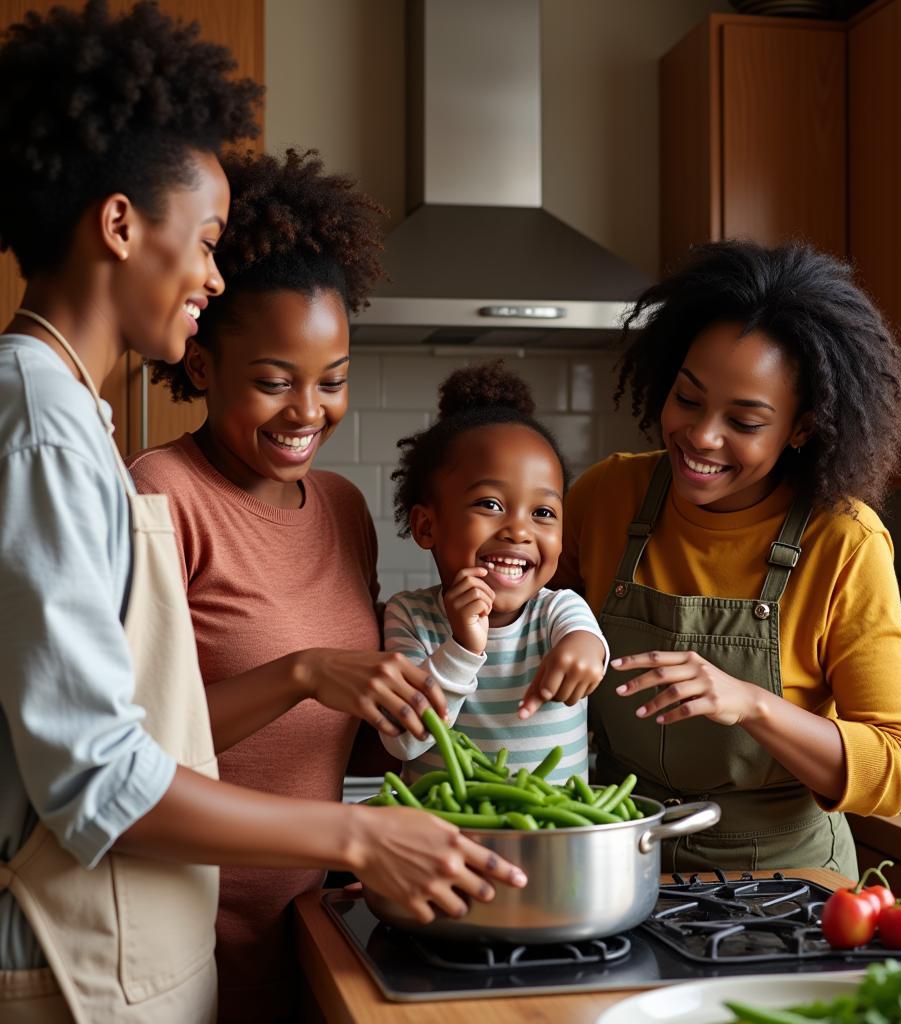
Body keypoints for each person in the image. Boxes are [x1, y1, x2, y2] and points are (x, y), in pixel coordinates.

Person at [0, 5, 524, 1023]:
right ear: (119, 225)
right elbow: (98, 779)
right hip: (69, 961)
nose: (210, 273)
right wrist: (360, 837)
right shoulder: (45, 425)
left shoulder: (68, 415)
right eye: (202, 241)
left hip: (135, 944)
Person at [130, 146, 453, 1023]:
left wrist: (447, 675)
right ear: (202, 365)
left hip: (318, 925)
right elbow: (133, 756)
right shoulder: (160, 495)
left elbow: (349, 749)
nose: (308, 411)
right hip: (184, 938)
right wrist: (304, 671)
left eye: (333, 381)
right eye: (275, 382)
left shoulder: (344, 509)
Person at [555, 240, 901, 880]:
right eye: (689, 399)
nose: (702, 436)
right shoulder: (605, 496)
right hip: (617, 859)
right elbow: (535, 638)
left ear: (803, 427)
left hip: (786, 881)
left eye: (745, 421)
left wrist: (750, 703)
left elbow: (895, 767)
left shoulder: (842, 541)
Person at [382, 361, 608, 784]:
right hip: (436, 839)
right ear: (426, 526)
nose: (519, 530)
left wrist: (584, 652)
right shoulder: (410, 617)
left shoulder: (558, 610)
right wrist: (463, 648)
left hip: (552, 841)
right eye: (490, 504)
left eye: (543, 512)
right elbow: (402, 742)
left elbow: (587, 647)